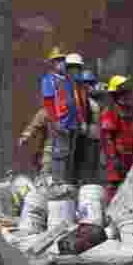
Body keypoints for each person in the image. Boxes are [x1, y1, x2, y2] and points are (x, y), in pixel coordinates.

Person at [43, 49, 87, 183]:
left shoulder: (69, 80)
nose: (61, 63)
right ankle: (58, 181)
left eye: (63, 60)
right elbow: (49, 103)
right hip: (61, 122)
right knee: (60, 154)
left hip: (73, 123)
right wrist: (55, 122)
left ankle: (68, 182)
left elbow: (77, 101)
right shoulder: (49, 80)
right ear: (52, 63)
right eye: (58, 61)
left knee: (71, 155)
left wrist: (81, 120)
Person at [100, 76, 133, 203]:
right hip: (119, 156)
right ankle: (110, 210)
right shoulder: (110, 111)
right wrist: (114, 157)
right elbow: (108, 138)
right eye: (123, 93)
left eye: (127, 93)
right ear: (116, 94)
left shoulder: (130, 109)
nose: (126, 96)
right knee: (114, 187)